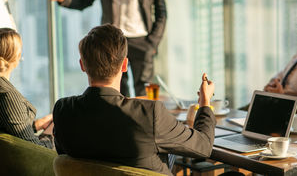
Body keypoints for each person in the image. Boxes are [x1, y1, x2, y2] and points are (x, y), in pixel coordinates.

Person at [52, 24, 215, 175]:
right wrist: (205, 103)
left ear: (83, 65)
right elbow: (204, 146)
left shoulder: (63, 110)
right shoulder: (149, 114)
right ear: (124, 65)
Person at [0, 28, 53, 149]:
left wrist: (35, 125)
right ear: (16, 57)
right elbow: (34, 149)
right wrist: (51, 133)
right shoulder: (8, 96)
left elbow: (8, 127)